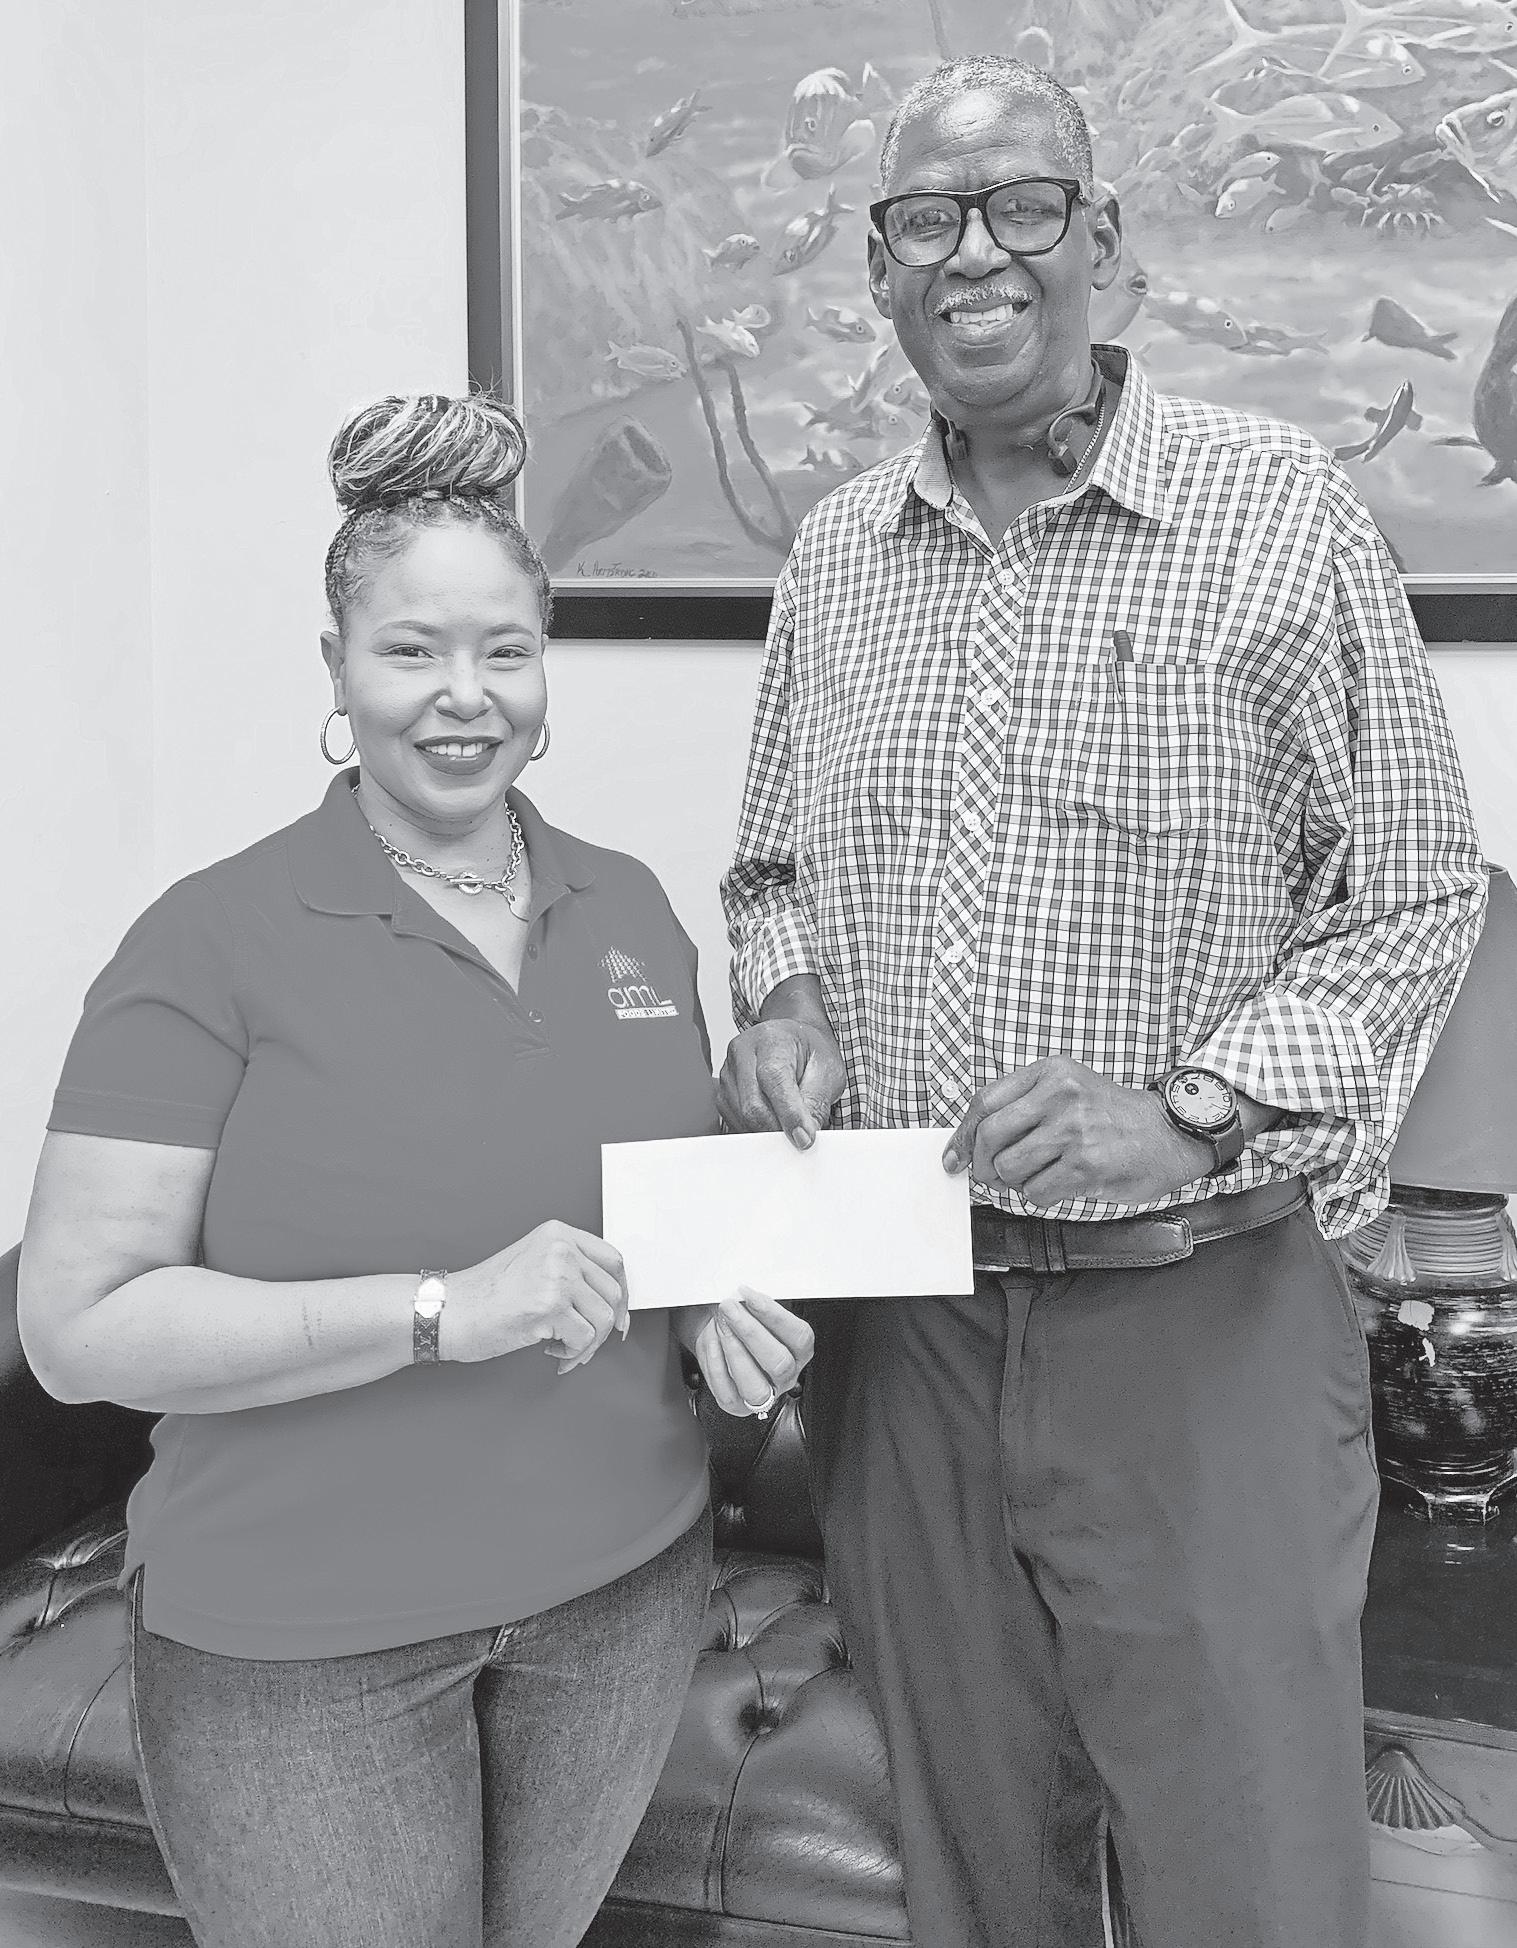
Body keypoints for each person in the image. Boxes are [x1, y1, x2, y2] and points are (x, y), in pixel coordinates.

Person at [717, 55, 1487, 1948]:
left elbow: (1409, 892)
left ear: (1104, 243)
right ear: (879, 270)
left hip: (1199, 1321)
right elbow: (768, 873)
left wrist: (1190, 1107)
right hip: (908, 1331)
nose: (972, 252)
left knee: (1247, 1876)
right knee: (979, 1869)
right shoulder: (834, 558)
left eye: (1020, 205)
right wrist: (787, 1003)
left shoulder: (1275, 510)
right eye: (925, 218)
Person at [18, 392, 813, 1948]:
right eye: (410, 651)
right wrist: (440, 1310)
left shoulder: (631, 910)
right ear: (336, 669)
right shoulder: (212, 939)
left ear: (545, 667)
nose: (464, 697)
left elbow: (644, 1218)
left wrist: (711, 1309)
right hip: (303, 1643)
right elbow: (78, 1325)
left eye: (504, 651)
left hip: (623, 1595)